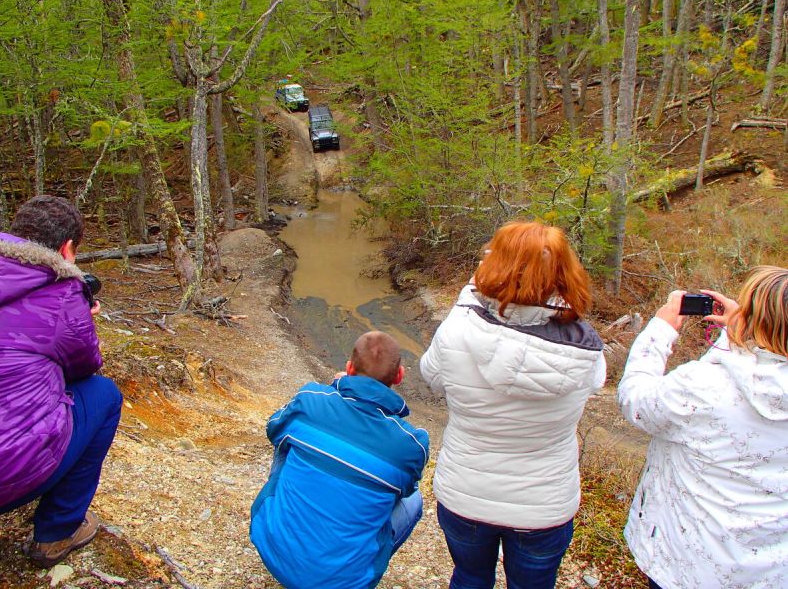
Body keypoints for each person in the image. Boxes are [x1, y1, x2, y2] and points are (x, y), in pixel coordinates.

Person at [0, 195, 122, 569]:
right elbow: (84, 367)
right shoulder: (58, 292)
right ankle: (56, 532)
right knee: (104, 395)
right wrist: (81, 317)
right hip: (5, 477)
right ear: (67, 248)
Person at [420, 221, 606, 589]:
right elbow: (593, 387)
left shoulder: (458, 328)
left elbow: (432, 376)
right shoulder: (586, 351)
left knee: (470, 577)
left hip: (466, 491)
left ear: (492, 264)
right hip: (544, 503)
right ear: (565, 273)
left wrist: (470, 298)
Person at [618, 266, 788, 588]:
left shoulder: (703, 387)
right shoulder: (715, 382)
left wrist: (660, 330)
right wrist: (740, 334)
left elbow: (635, 401)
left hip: (689, 565)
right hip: (774, 571)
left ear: (756, 318)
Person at [250, 331, 430, 589]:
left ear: (348, 368)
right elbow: (405, 491)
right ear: (399, 376)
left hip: (273, 553)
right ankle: (354, 563)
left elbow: (273, 428)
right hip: (348, 582)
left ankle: (289, 532)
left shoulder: (310, 400)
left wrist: (335, 390)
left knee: (289, 437)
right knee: (413, 499)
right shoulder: (412, 444)